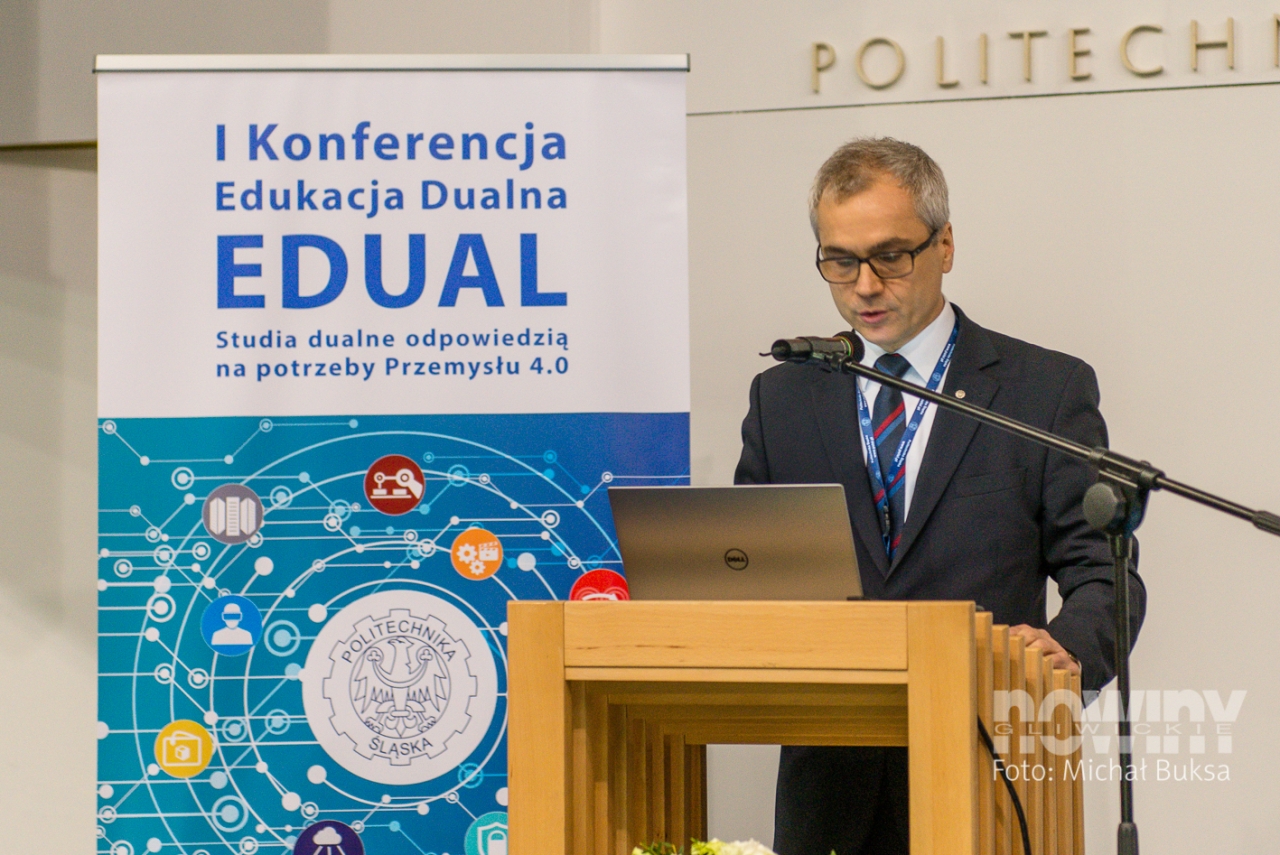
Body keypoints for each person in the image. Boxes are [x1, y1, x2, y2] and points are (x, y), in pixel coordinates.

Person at [734, 137, 1146, 855]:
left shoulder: (1041, 391)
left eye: (890, 256)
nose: (865, 285)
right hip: (829, 784)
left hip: (988, 767)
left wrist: (1066, 655)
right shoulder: (784, 397)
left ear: (945, 245)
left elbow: (1105, 573)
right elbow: (747, 574)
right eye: (840, 260)